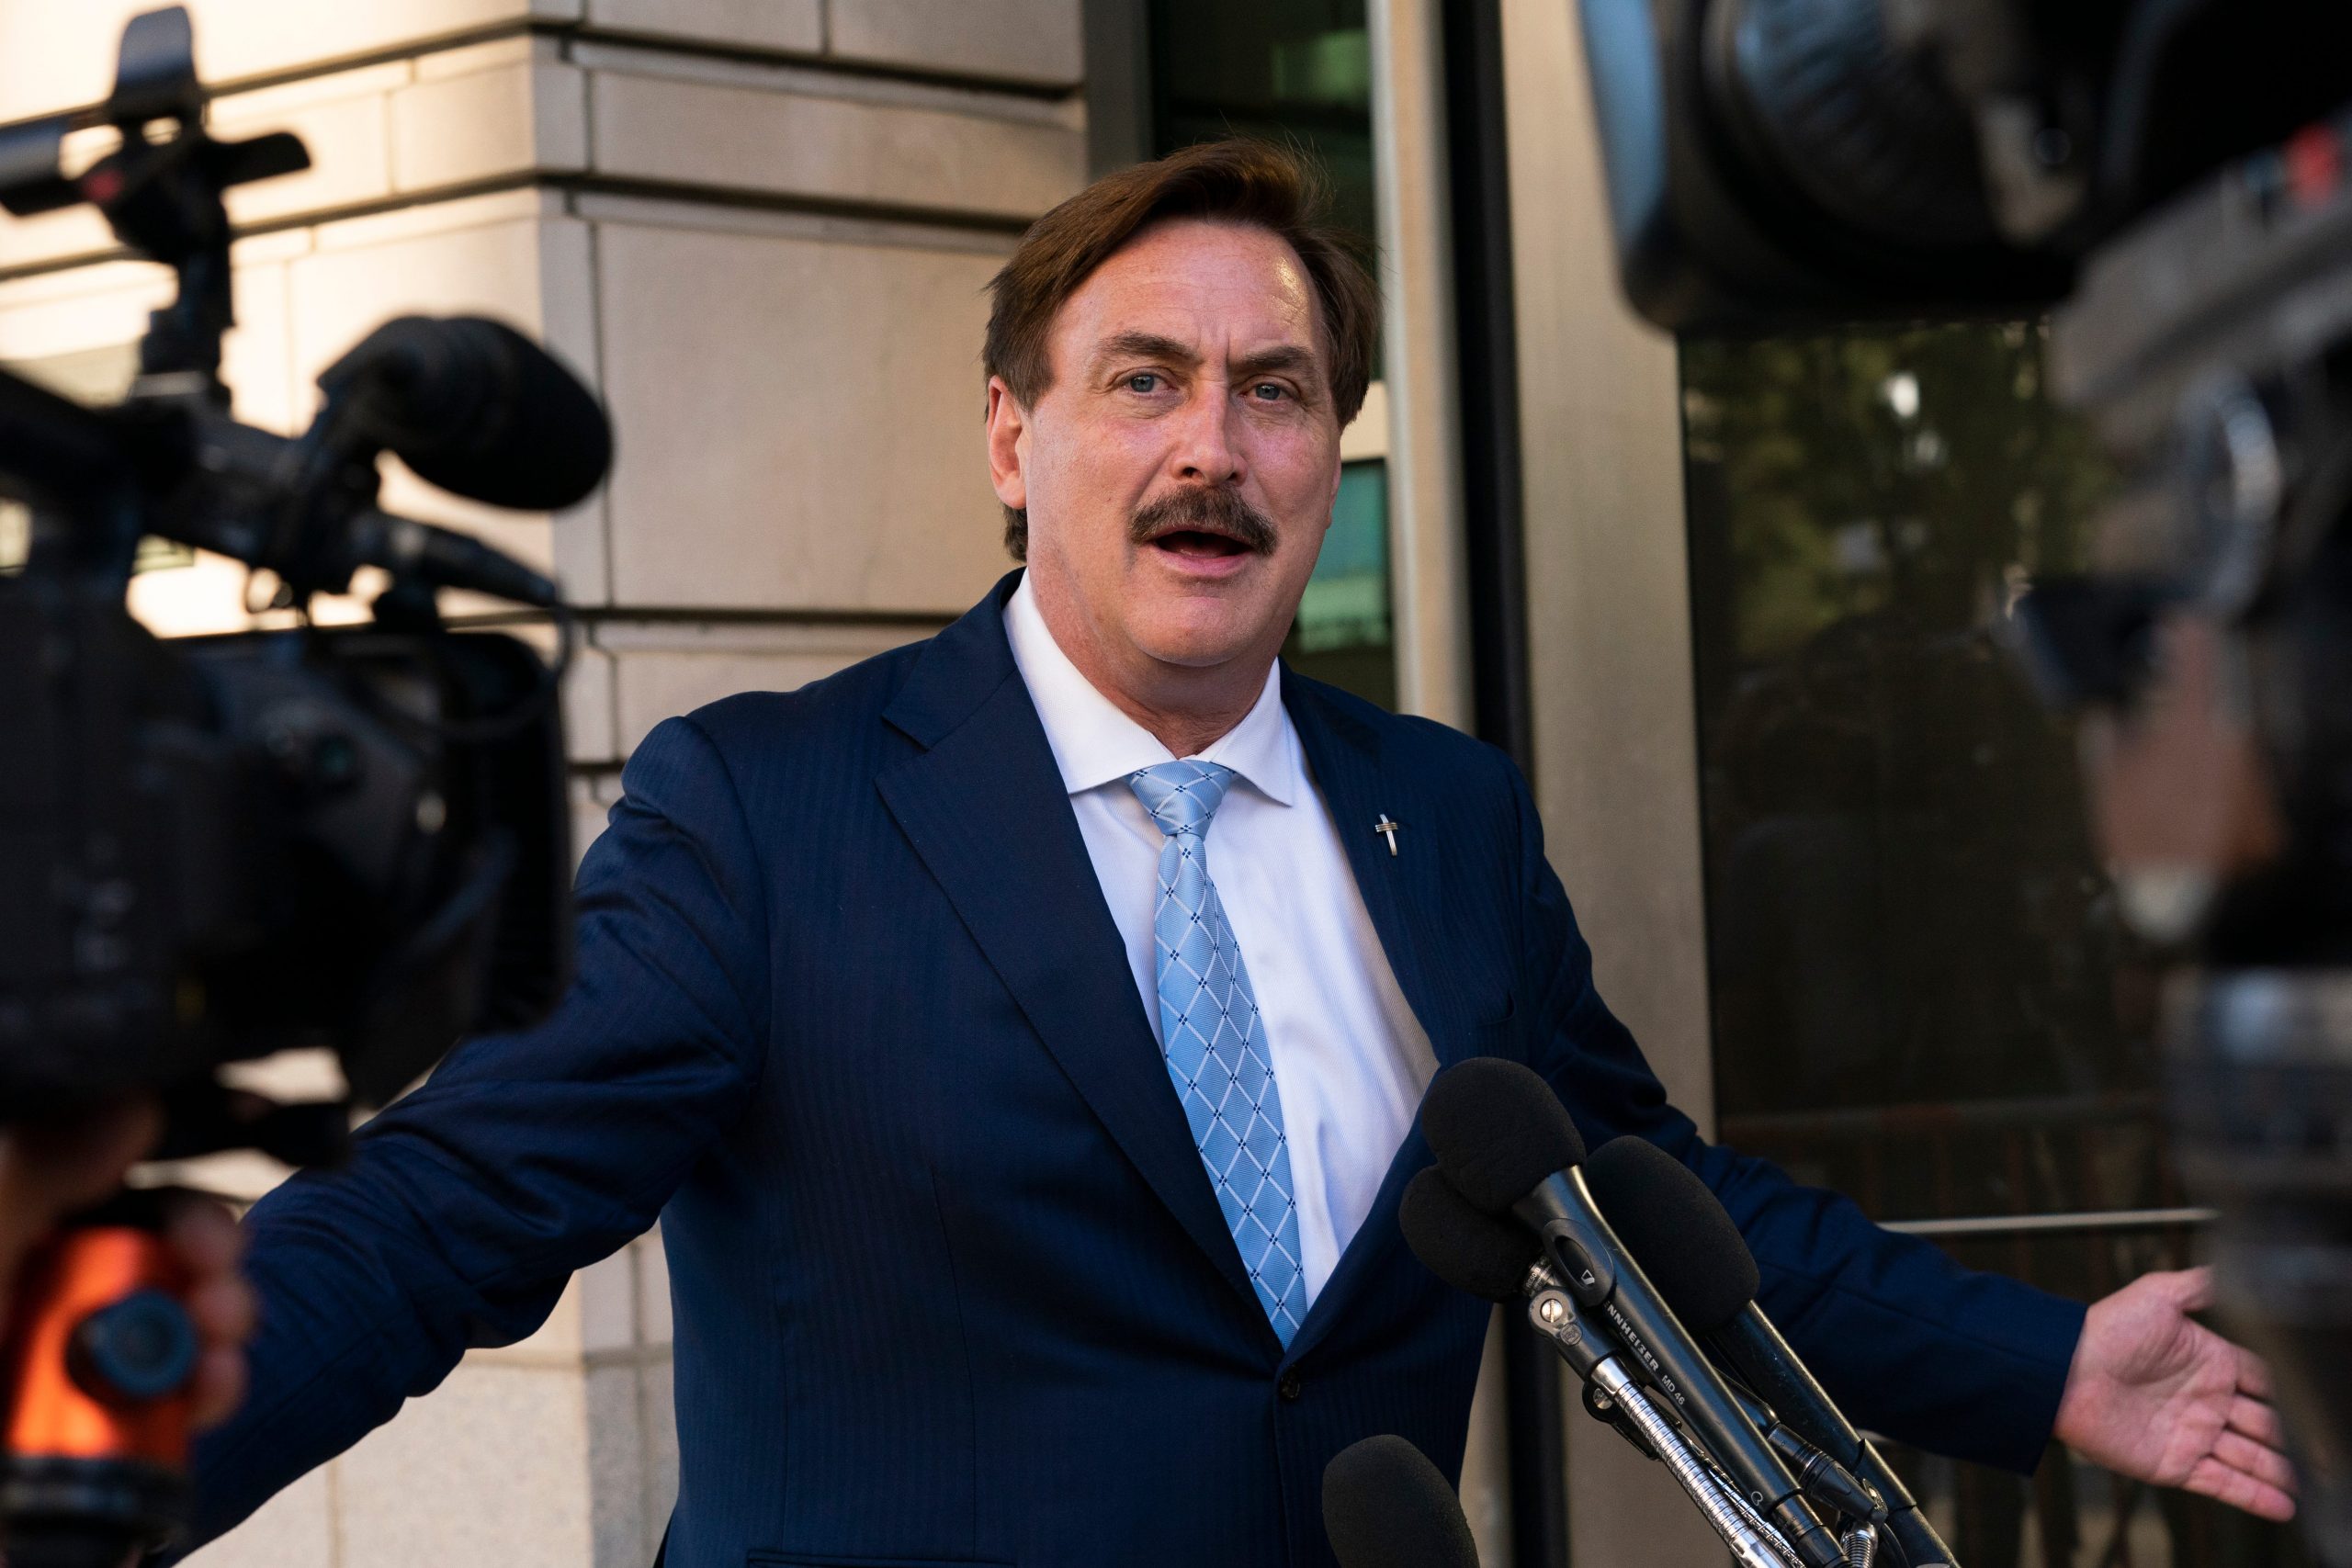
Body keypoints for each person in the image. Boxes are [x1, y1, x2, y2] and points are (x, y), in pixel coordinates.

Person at [178, 141, 2291, 1567]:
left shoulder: (1445, 817)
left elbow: (1658, 1219)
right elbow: (448, 1205)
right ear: (1013, 439)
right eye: (1144, 381)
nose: (1212, 444)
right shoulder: (767, 807)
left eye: (1277, 392)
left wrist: (2041, 1362)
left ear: (1334, 456)